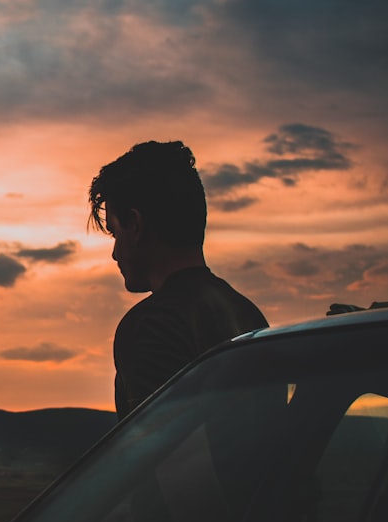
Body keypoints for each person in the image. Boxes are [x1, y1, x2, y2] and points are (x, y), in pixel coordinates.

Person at [88, 140, 268, 420]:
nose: (114, 253)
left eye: (115, 233)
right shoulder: (248, 315)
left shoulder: (153, 324)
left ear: (136, 225)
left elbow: (160, 453)